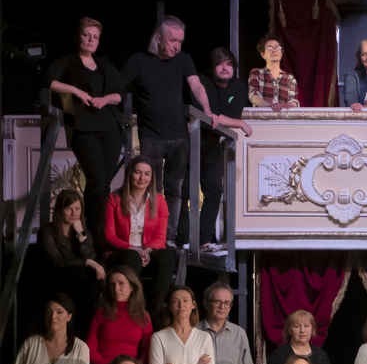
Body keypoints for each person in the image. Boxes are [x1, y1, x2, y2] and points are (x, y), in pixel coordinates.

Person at [121, 16, 215, 246]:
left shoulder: (183, 59)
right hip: (151, 137)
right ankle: (149, 237)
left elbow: (196, 85)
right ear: (159, 38)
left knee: (175, 190)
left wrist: (207, 110)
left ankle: (168, 238)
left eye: (180, 42)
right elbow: (119, 86)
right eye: (173, 41)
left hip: (178, 137)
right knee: (151, 190)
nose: (177, 46)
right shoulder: (139, 60)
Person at [46, 17, 126, 244]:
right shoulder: (68, 62)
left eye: (95, 37)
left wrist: (105, 99)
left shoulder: (105, 64)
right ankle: (94, 233)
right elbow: (48, 81)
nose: (91, 40)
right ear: (77, 37)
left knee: (103, 183)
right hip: (84, 127)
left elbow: (120, 94)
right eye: (86, 35)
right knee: (97, 180)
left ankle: (97, 231)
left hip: (110, 127)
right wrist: (76, 91)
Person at [188, 47, 252, 255]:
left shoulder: (238, 86)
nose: (225, 68)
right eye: (220, 64)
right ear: (212, 66)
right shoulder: (203, 81)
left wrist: (234, 121)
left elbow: (225, 118)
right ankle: (182, 239)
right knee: (185, 189)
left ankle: (205, 240)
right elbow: (213, 116)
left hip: (212, 142)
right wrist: (241, 124)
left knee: (214, 190)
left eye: (229, 64)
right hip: (190, 139)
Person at [104, 156, 177, 317]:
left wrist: (147, 251)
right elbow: (109, 235)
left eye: (147, 174)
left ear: (151, 177)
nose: (142, 178)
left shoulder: (159, 201)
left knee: (167, 256)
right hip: (122, 253)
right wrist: (133, 249)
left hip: (147, 253)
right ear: (130, 174)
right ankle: (131, 311)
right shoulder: (114, 199)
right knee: (133, 257)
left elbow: (160, 236)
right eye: (137, 172)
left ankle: (154, 313)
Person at [38, 189, 105, 323]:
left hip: (81, 281)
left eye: (77, 209)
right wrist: (87, 262)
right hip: (57, 278)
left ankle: (90, 321)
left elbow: (90, 255)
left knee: (97, 272)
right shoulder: (47, 231)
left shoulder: (82, 230)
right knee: (80, 273)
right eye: (69, 209)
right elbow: (57, 262)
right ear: (60, 210)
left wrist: (80, 233)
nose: (74, 213)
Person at [86, 267, 153, 364]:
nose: (116, 289)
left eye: (121, 283)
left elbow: (147, 350)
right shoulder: (101, 313)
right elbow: (90, 347)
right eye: (112, 285)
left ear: (132, 286)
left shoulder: (143, 316)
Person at [248, 36, 299, 111]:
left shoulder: (290, 78)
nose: (274, 50)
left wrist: (291, 105)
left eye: (277, 47)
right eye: (269, 48)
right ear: (263, 55)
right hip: (262, 116)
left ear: (281, 53)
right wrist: (270, 106)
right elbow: (254, 96)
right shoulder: (256, 73)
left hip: (284, 117)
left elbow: (293, 100)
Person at [343, 39, 367, 111]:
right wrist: (354, 104)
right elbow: (350, 95)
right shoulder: (352, 75)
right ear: (359, 56)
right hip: (359, 115)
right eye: (364, 54)